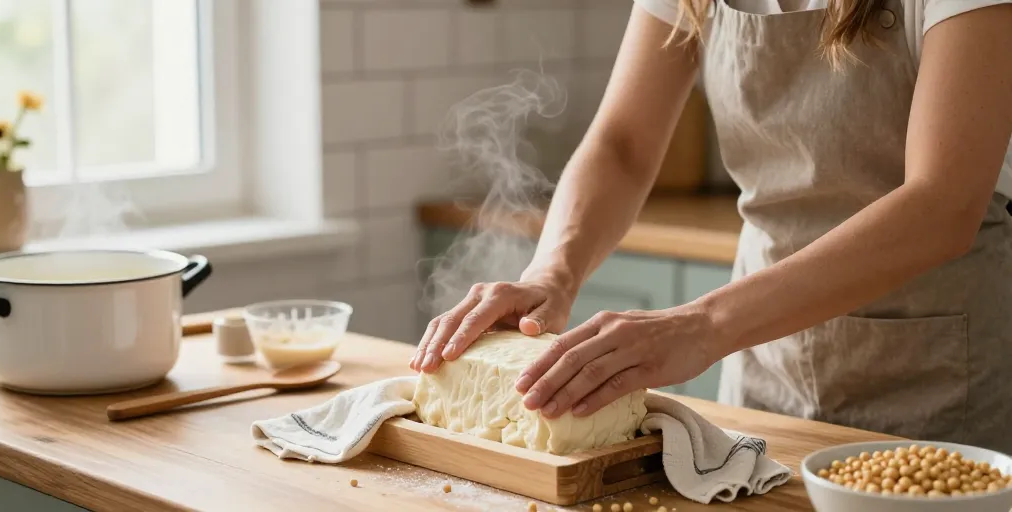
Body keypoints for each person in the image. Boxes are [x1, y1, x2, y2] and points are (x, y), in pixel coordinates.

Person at [410, 0, 1012, 452]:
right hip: (764, 363)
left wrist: (699, 325)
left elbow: (943, 203)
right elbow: (623, 145)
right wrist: (553, 272)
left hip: (935, 378)